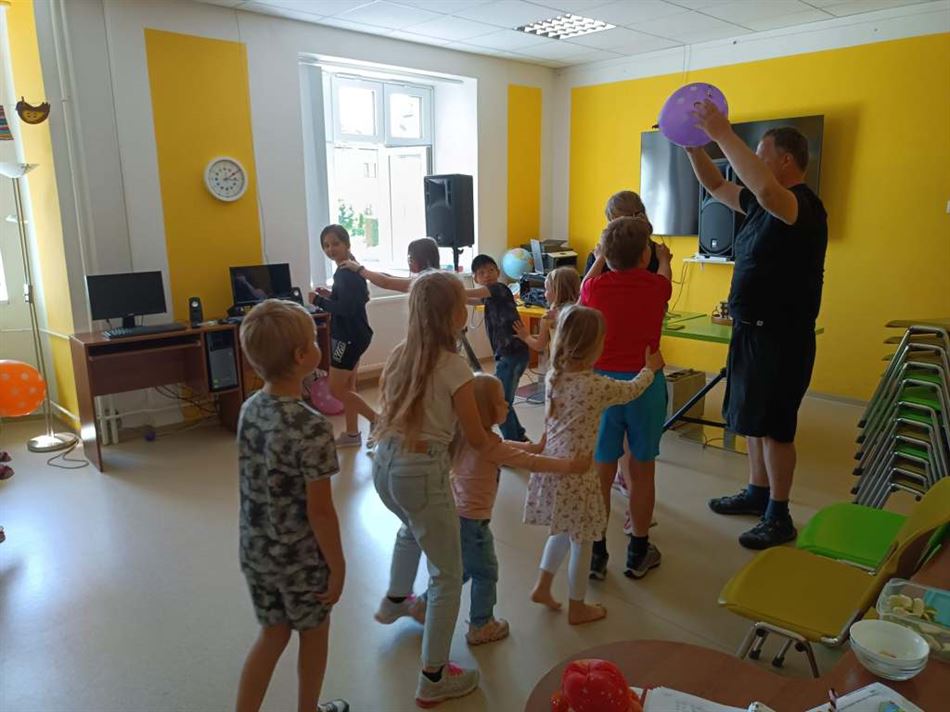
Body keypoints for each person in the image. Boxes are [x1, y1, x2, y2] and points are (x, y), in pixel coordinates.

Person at [685, 102, 828, 549]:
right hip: (751, 330)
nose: (752, 162)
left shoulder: (802, 206)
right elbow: (716, 184)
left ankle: (779, 515)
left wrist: (722, 132)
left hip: (781, 337)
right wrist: (694, 148)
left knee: (775, 428)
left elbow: (765, 190)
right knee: (751, 421)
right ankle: (756, 492)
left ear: (785, 160)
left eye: (760, 154)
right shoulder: (763, 206)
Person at [371, 270, 486, 707]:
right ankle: (433, 677)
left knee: (411, 527)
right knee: (448, 576)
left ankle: (396, 599)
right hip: (420, 473)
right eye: (463, 301)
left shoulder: (402, 353)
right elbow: (476, 437)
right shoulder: (456, 367)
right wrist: (519, 452)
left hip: (385, 465)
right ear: (453, 315)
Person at [234, 299, 348, 712]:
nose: (319, 345)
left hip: (256, 551)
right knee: (314, 636)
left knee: (272, 634)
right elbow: (320, 511)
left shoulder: (249, 408)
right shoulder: (311, 426)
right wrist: (337, 565)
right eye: (314, 341)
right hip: (300, 559)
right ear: (302, 357)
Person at [525, 305, 664, 625]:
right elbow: (631, 391)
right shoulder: (595, 386)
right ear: (594, 347)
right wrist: (649, 369)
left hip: (554, 467)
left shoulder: (555, 376)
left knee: (562, 530)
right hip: (577, 475)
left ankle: (543, 586)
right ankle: (577, 607)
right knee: (583, 541)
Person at [443, 373, 589, 645]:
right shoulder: (487, 445)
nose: (508, 404)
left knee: (462, 569)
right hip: (473, 523)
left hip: (457, 517)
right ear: (485, 410)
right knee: (486, 573)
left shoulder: (469, 435)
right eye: (501, 402)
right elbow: (528, 463)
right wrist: (570, 466)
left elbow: (505, 447)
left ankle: (425, 605)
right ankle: (481, 625)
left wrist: (533, 446)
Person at [581, 217, 673, 581]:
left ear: (606, 255)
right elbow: (665, 276)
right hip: (645, 385)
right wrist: (663, 258)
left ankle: (596, 553)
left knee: (602, 470)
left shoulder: (594, 288)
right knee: (642, 469)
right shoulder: (656, 287)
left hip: (603, 387)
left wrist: (599, 258)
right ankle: (638, 550)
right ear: (644, 255)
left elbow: (585, 283)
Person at [310, 225, 377, 449]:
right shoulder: (351, 268)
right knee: (349, 387)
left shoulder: (344, 273)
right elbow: (353, 301)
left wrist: (318, 301)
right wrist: (331, 295)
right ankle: (352, 433)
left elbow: (346, 309)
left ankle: (377, 420)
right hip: (358, 335)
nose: (330, 249)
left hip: (348, 338)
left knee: (336, 389)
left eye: (335, 244)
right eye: (326, 245)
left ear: (347, 244)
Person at [468, 254, 530, 441]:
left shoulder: (499, 288)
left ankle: (513, 443)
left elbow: (469, 294)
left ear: (498, 271)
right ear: (475, 278)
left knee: (498, 402)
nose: (487, 275)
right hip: (510, 354)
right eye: (481, 273)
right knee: (504, 400)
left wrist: (447, 288)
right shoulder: (489, 296)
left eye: (490, 270)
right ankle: (519, 438)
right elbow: (470, 299)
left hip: (512, 353)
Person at [583, 191, 661, 276]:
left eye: (613, 222)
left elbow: (586, 284)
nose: (610, 228)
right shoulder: (659, 255)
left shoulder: (600, 256)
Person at [513, 267, 580, 354]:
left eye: (546, 289)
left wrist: (525, 336)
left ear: (557, 292)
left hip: (560, 361)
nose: (544, 294)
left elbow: (539, 345)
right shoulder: (580, 311)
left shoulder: (548, 318)